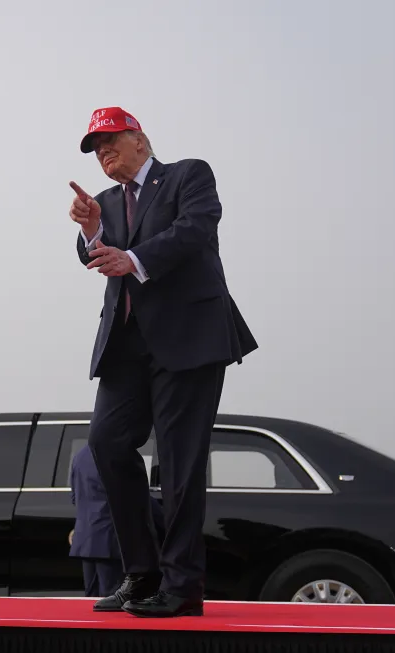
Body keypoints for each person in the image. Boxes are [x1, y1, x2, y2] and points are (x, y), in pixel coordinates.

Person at [67, 108, 258, 617]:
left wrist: (133, 259)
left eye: (109, 142)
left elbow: (196, 230)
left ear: (140, 138)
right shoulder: (103, 202)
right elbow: (95, 257)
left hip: (188, 339)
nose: (103, 154)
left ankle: (182, 587)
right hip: (126, 345)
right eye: (95, 149)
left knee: (177, 463)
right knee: (106, 445)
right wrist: (90, 234)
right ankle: (142, 573)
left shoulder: (188, 175)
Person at [69, 443, 165, 598]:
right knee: (112, 598)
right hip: (111, 539)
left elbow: (75, 498)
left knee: (91, 599)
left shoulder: (80, 455)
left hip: (85, 538)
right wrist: (164, 517)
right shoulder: (117, 453)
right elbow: (134, 495)